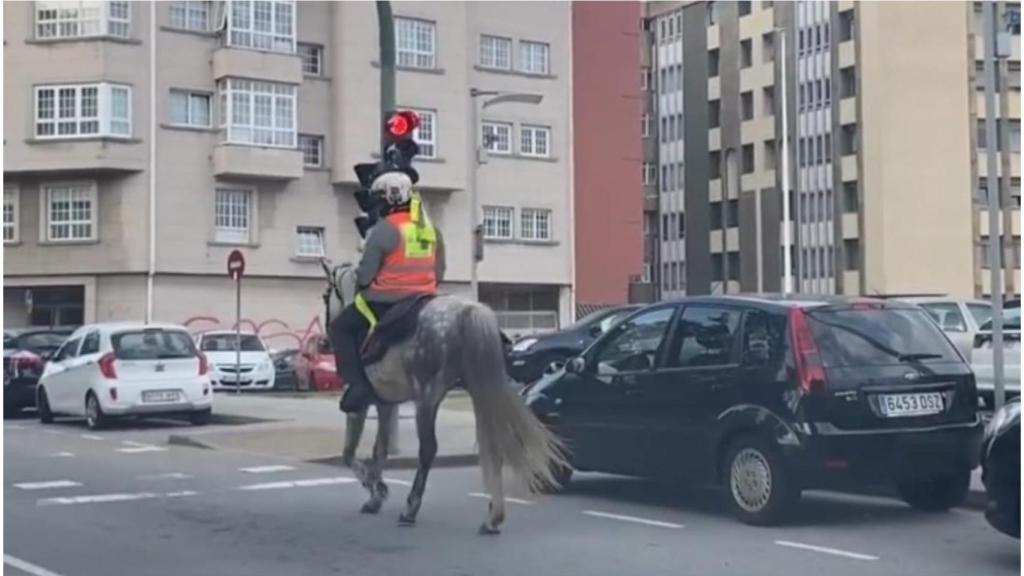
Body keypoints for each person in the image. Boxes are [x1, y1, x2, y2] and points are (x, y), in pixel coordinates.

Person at [332, 168, 445, 414]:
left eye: (379, 199)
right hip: (425, 298)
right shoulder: (429, 229)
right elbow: (440, 272)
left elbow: (364, 277)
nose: (377, 205)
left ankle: (357, 385)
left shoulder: (384, 229)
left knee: (340, 327)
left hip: (387, 300)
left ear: (390, 199)